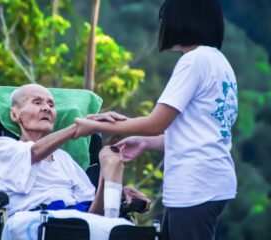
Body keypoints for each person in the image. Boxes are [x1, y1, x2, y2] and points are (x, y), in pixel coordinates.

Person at [73, 0, 238, 239]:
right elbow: (200, 132)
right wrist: (145, 142)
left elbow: (155, 123)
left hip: (195, 185)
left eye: (167, 19)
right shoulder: (219, 62)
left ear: (184, 20)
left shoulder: (194, 61)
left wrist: (94, 125)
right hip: (211, 180)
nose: (164, 25)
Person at [0, 84, 150, 219]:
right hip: (30, 220)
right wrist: (79, 126)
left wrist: (113, 190)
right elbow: (34, 152)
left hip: (74, 220)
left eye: (51, 105)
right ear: (14, 114)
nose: (46, 108)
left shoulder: (64, 158)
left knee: (109, 156)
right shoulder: (3, 146)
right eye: (37, 103)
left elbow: (92, 208)